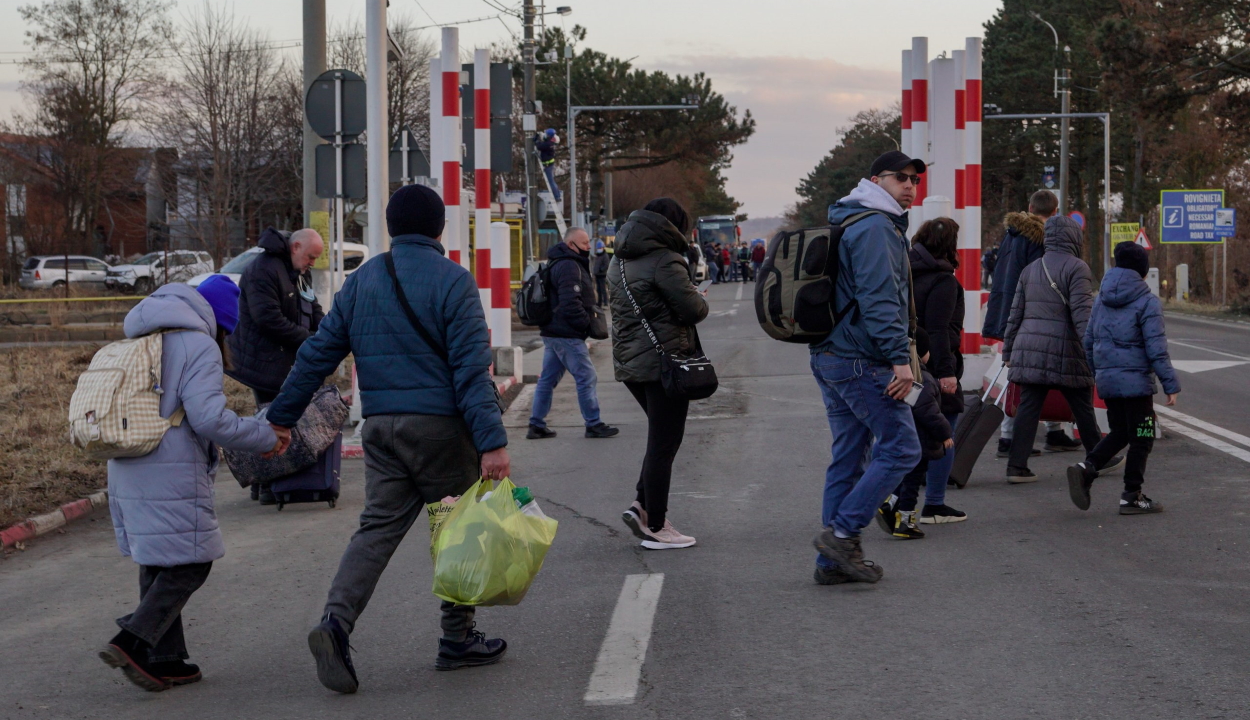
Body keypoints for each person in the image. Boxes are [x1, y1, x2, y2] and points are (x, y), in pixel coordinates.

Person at [265, 184, 512, 693]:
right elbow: (470, 371)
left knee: (376, 531)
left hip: (379, 428)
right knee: (458, 528)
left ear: (391, 228)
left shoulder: (363, 281)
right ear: (440, 228)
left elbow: (316, 354)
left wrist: (282, 418)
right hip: (440, 429)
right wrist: (492, 441)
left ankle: (335, 622)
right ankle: (457, 639)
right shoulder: (454, 281)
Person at [101, 278, 286, 692]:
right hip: (170, 464)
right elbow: (209, 420)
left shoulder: (143, 336)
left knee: (159, 559)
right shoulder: (197, 343)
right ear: (221, 323)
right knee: (193, 561)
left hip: (128, 460)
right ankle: (132, 639)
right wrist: (265, 437)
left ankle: (166, 659)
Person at [810, 150, 923, 585]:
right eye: (901, 178)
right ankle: (841, 535)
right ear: (876, 180)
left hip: (830, 354)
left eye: (915, 179)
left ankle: (831, 563)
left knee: (849, 457)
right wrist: (900, 361)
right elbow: (880, 302)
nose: (910, 186)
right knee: (901, 448)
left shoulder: (849, 218)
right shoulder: (876, 226)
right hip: (861, 359)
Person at [607, 197, 709, 550]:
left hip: (632, 364)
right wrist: (697, 295)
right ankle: (658, 526)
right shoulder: (666, 260)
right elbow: (693, 310)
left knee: (660, 438)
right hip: (664, 364)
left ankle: (641, 507)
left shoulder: (618, 260)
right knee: (664, 444)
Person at [1001, 215, 1123, 483]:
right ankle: (1097, 457)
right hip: (1064, 348)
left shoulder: (1031, 268)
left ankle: (1017, 467)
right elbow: (1083, 317)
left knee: (1029, 407)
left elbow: (1015, 314)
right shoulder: (1077, 268)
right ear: (1072, 237)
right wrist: (1093, 352)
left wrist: (1008, 351)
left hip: (1029, 347)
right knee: (1081, 403)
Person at [1069, 241, 1179, 515]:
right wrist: (1170, 384)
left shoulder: (1101, 299)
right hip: (1137, 387)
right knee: (1142, 436)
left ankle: (1087, 467)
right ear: (1143, 271)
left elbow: (1089, 341)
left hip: (1110, 382)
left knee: (1120, 431)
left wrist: (1100, 373)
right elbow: (1156, 348)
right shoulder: (1147, 301)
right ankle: (1132, 495)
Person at [227, 227, 324, 503]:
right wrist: (309, 340)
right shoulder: (262, 270)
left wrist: (326, 333)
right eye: (310, 257)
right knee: (271, 420)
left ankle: (270, 484)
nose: (312, 264)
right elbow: (267, 319)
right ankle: (269, 486)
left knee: (275, 419)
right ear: (295, 247)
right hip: (262, 362)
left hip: (283, 358)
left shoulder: (299, 272)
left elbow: (313, 308)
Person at [983, 191, 1082, 456]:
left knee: (1028, 375)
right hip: (1033, 315)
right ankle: (1009, 438)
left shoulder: (1011, 235)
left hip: (1006, 310)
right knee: (1033, 376)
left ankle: (1053, 431)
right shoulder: (1043, 240)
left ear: (1029, 207)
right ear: (1056, 210)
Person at [527, 227, 619, 440]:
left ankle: (536, 424)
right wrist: (585, 325)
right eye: (585, 243)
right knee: (586, 376)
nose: (589, 247)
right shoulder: (569, 265)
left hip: (553, 331)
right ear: (571, 245)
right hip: (565, 333)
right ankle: (593, 424)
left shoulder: (559, 261)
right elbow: (570, 303)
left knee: (548, 379)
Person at [907, 217, 967, 524]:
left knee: (906, 432)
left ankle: (895, 499)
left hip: (904, 361)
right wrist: (947, 374)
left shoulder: (903, 272)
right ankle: (934, 503)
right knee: (945, 432)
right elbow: (941, 329)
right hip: (935, 365)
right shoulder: (943, 280)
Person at [877, 329, 952, 539]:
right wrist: (945, 433)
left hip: (905, 437)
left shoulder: (895, 374)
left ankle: (890, 502)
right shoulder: (922, 379)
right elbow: (929, 413)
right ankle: (906, 522)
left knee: (905, 477)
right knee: (913, 483)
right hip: (921, 441)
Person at [535, 128, 561, 201]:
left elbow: (539, 146)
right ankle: (557, 195)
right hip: (549, 164)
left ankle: (557, 197)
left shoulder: (548, 144)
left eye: (546, 134)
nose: (545, 135)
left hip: (547, 165)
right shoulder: (550, 142)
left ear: (549, 136)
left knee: (551, 181)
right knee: (552, 181)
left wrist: (536, 140)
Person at [592, 240, 611, 307]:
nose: (599, 249)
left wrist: (601, 270)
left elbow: (606, 265)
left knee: (603, 289)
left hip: (602, 275)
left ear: (603, 248)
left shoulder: (605, 256)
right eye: (598, 248)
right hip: (597, 275)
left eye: (600, 248)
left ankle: (605, 302)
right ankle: (599, 302)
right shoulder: (597, 256)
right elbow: (595, 265)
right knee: (598, 290)